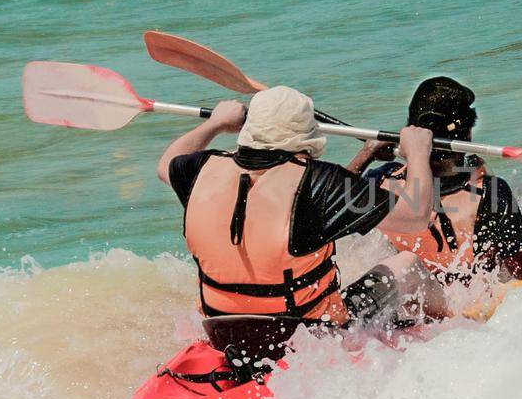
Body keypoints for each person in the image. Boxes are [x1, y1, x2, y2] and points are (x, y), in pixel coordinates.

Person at [157, 86, 449, 344]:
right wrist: (418, 153)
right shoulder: (321, 183)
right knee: (407, 264)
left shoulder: (197, 170)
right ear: (307, 137)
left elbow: (166, 164)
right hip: (309, 337)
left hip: (223, 331)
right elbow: (415, 216)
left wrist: (216, 124)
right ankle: (450, 330)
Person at [347, 76, 522, 284]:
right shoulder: (491, 192)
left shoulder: (380, 180)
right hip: (468, 310)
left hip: (406, 301)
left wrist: (366, 154)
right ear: (466, 135)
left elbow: (326, 207)